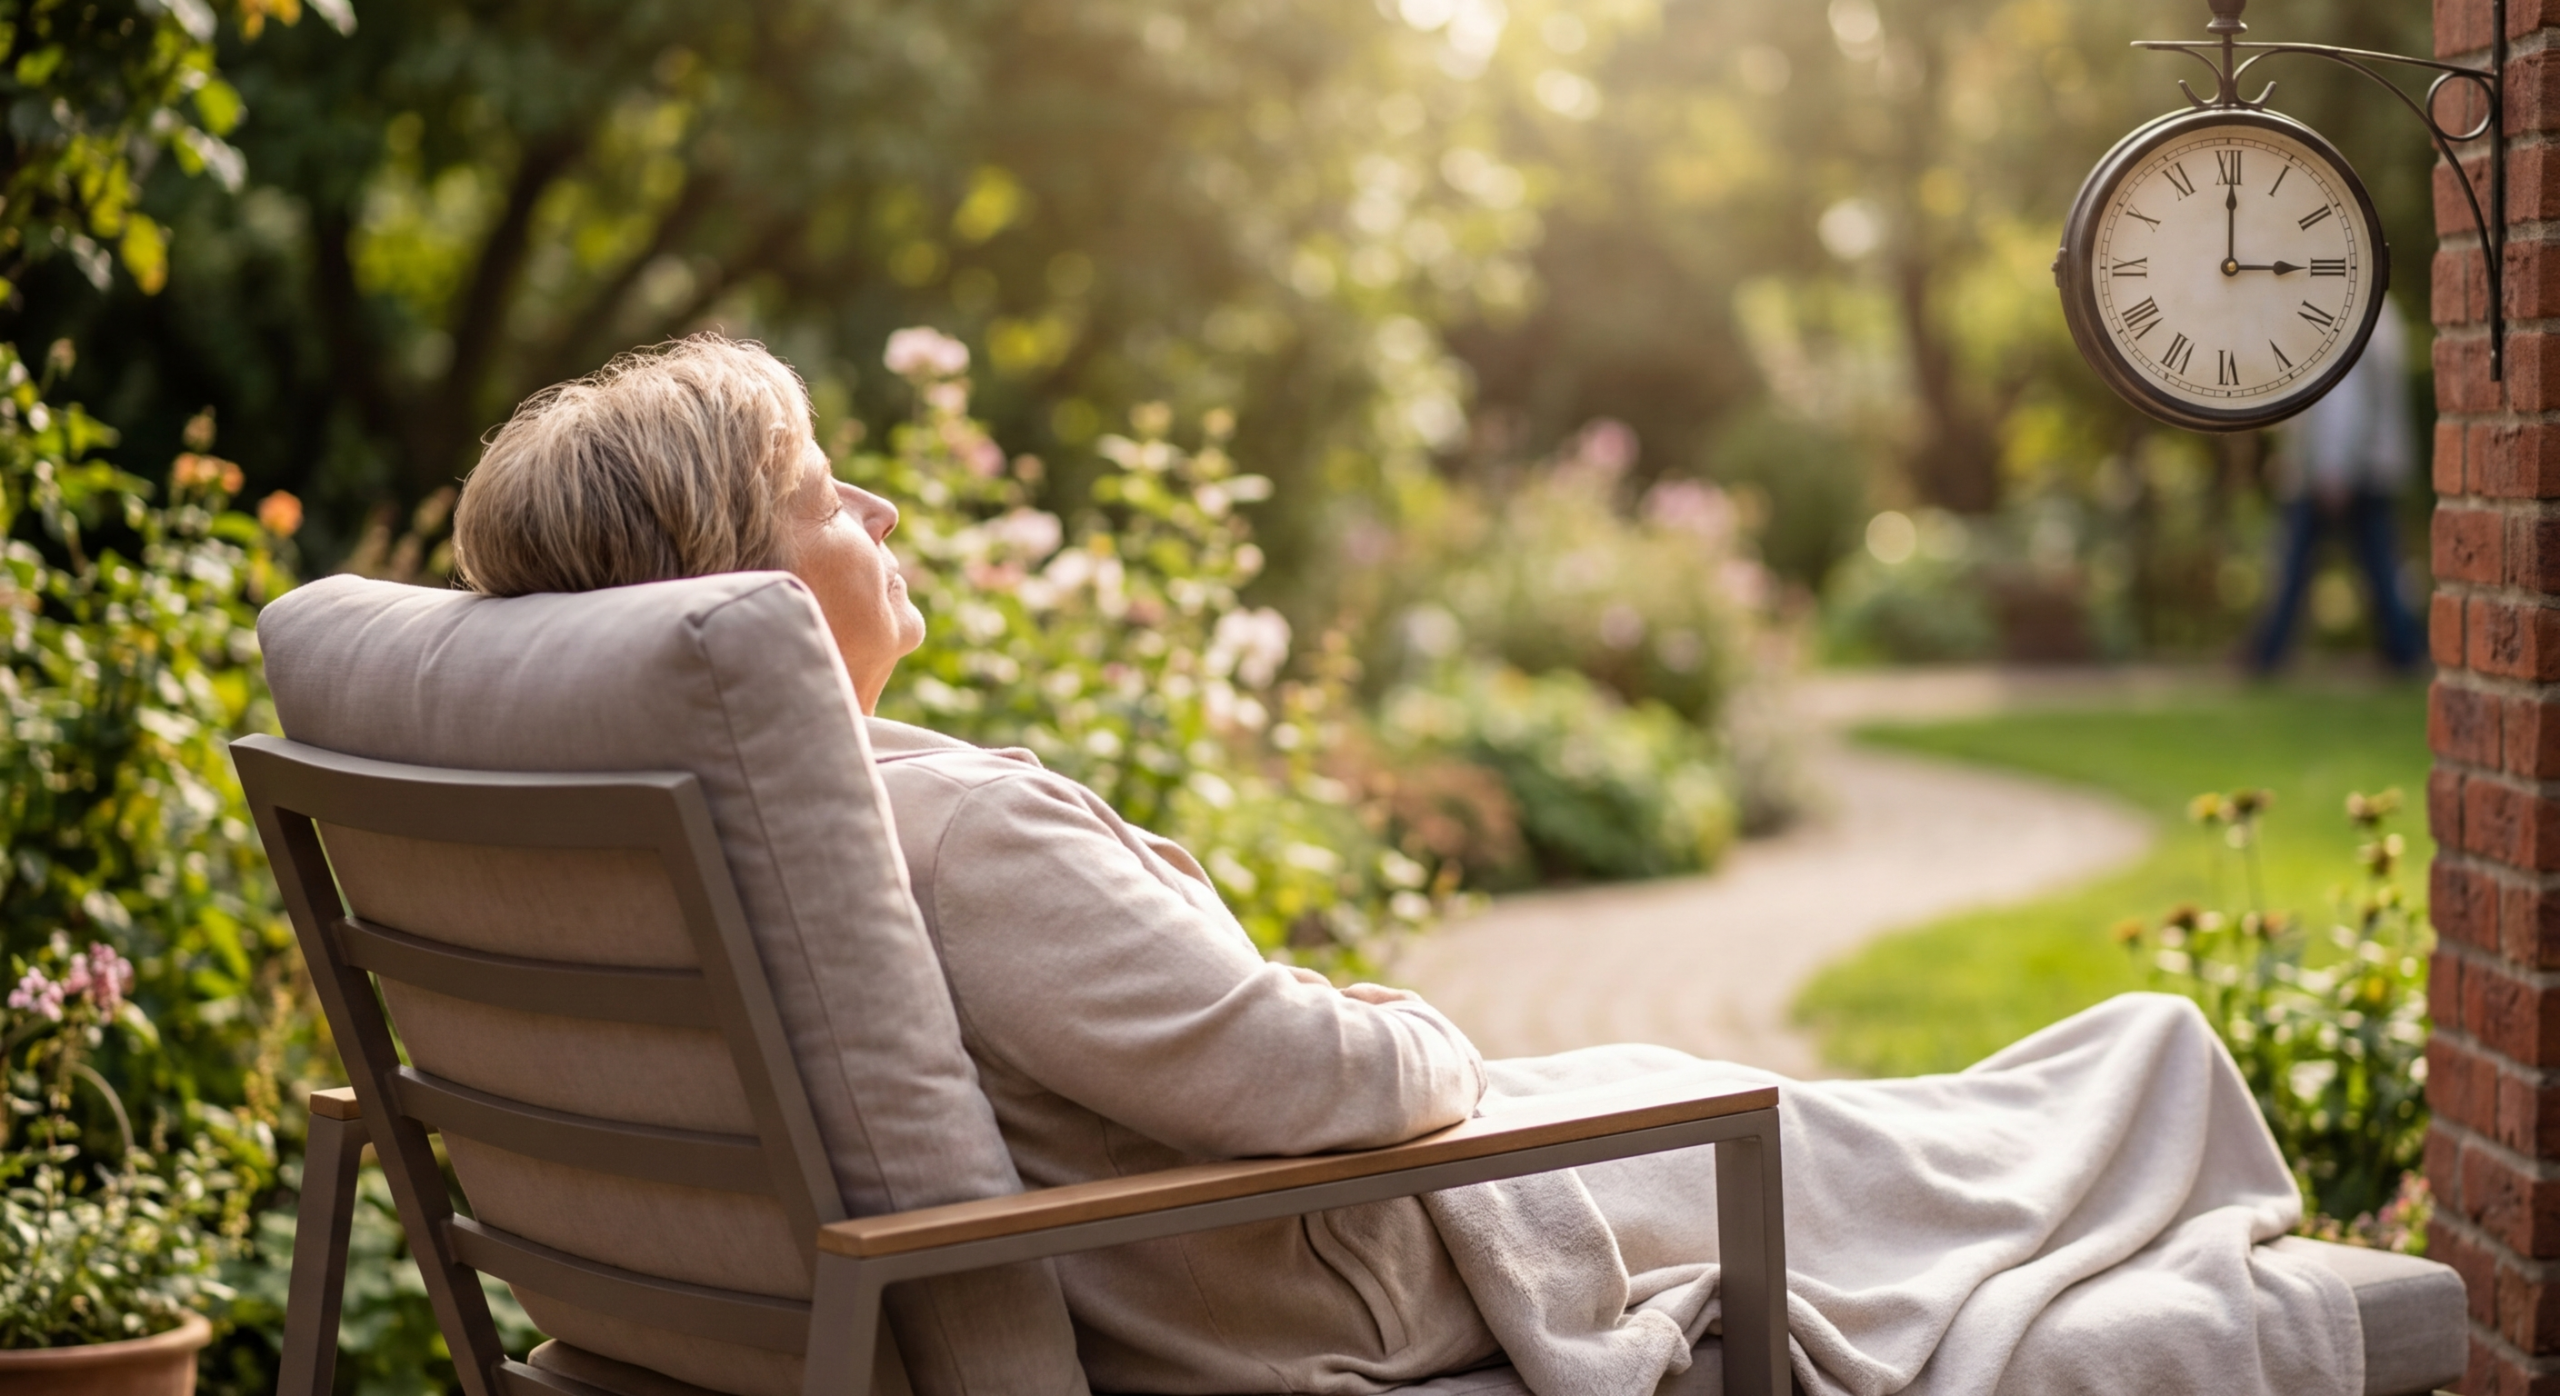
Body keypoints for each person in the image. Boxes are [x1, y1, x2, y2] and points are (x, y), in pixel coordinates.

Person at [445, 336, 2369, 1396]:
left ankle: (2114, 1119)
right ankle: (2164, 1126)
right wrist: (1428, 1040)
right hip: (1358, 1274)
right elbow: (1323, 1084)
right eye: (818, 487)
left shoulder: (693, 841)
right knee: (1885, 1130)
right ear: (743, 584)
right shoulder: (950, 837)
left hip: (1212, 1255)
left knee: (1840, 1114)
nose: (873, 505)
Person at [2246, 297, 2425, 674]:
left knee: (2295, 566)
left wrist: (2334, 469)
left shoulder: (2343, 309)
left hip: (2336, 472)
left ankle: (2267, 655)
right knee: (2379, 565)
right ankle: (2404, 651)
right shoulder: (2386, 312)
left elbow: (2344, 400)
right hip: (2372, 465)